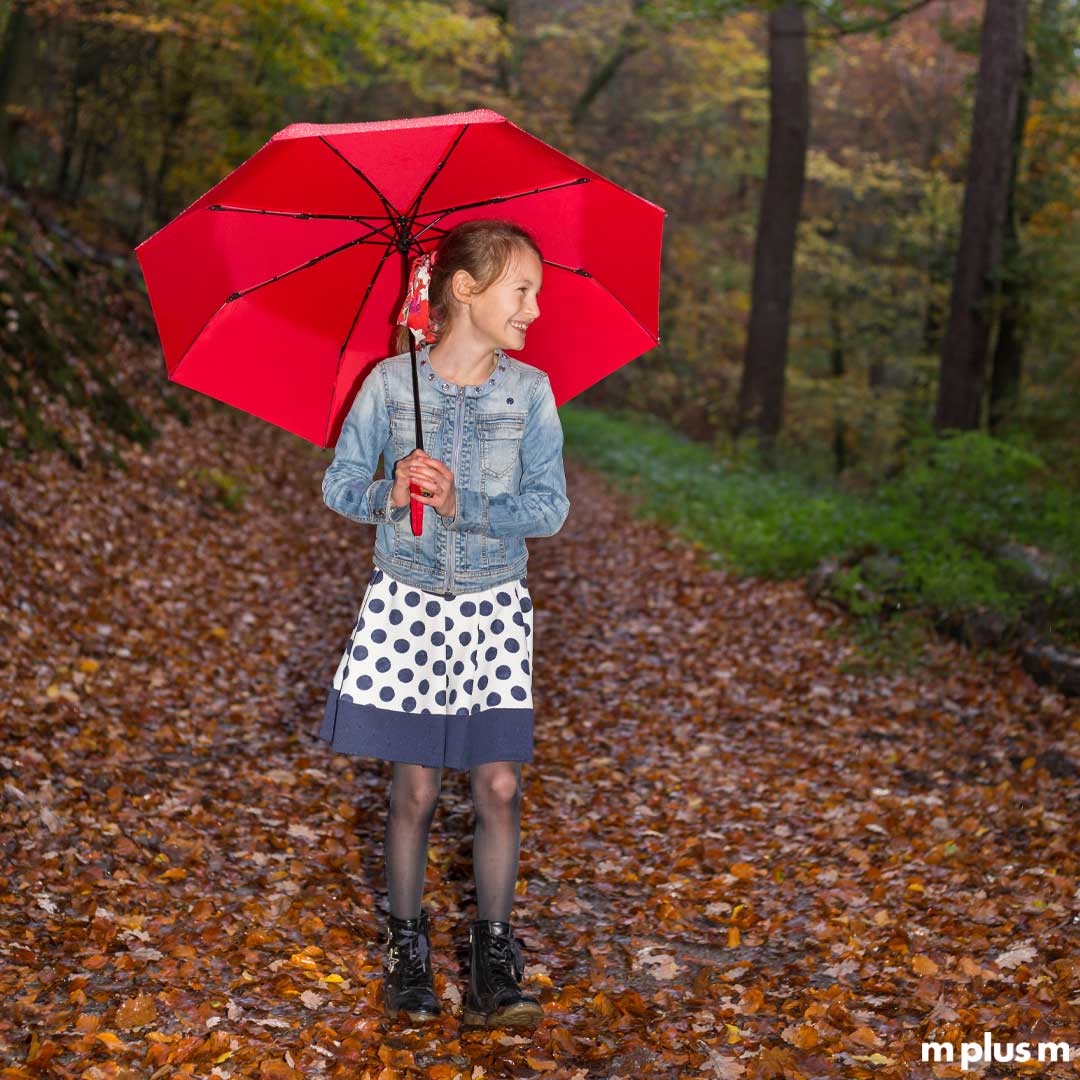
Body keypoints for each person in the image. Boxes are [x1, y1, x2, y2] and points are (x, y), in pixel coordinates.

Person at [317, 218, 570, 1029]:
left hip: (495, 607)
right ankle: (407, 950)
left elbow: (551, 508)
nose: (535, 306)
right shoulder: (392, 386)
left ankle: (494, 959)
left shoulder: (530, 393)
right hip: (409, 600)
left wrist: (466, 503)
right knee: (416, 788)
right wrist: (389, 491)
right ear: (465, 289)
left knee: (498, 783)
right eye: (521, 288)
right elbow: (339, 483)